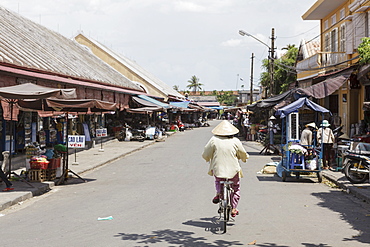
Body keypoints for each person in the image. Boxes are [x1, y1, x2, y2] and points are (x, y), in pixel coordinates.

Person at [202, 120, 249, 217]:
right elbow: (242, 153)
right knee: (235, 188)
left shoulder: (214, 140)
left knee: (218, 181)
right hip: (233, 170)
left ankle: (219, 194)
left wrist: (207, 158)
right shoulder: (235, 141)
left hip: (218, 169)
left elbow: (206, 153)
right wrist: (244, 159)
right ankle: (234, 208)